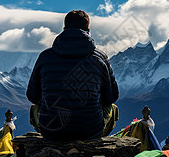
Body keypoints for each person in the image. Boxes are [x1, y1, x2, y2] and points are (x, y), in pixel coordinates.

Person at [26, 10, 119, 141]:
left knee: (34, 108)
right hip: (91, 131)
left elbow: (32, 96)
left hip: (51, 131)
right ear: (88, 31)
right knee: (112, 109)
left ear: (64, 30)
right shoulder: (100, 58)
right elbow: (111, 98)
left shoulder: (45, 57)